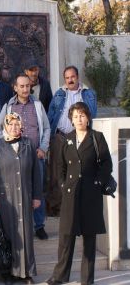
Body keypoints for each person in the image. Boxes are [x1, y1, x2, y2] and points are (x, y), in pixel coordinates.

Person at [46, 102, 112, 285]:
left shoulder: (97, 138)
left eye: (82, 115)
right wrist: (62, 184)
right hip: (70, 195)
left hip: (91, 195)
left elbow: (106, 164)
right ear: (71, 120)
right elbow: (60, 167)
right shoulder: (66, 139)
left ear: (88, 117)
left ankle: (87, 280)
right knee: (66, 238)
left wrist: (98, 182)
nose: (79, 119)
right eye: (75, 116)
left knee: (89, 240)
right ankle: (59, 276)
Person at [0, 112, 42, 284]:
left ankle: (26, 272)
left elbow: (36, 173)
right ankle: (8, 272)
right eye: (10, 124)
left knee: (25, 235)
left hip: (25, 196)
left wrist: (37, 196)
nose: (14, 127)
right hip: (5, 200)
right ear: (5, 126)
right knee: (7, 234)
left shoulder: (28, 144)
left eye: (17, 124)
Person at [0, 74, 50, 240]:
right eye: (22, 86)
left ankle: (39, 225)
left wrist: (43, 148)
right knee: (18, 190)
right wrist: (7, 147)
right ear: (15, 87)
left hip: (36, 156)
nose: (25, 89)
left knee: (37, 189)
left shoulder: (38, 105)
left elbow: (46, 128)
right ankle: (20, 225)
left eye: (27, 86)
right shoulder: (9, 107)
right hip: (15, 157)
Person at [46, 66, 97, 216]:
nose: (70, 80)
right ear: (64, 79)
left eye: (72, 77)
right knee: (57, 172)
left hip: (80, 137)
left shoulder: (88, 94)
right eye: (67, 77)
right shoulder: (59, 94)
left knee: (78, 172)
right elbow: (50, 115)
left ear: (77, 77)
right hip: (60, 137)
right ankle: (56, 207)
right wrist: (49, 138)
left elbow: (92, 114)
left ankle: (77, 206)